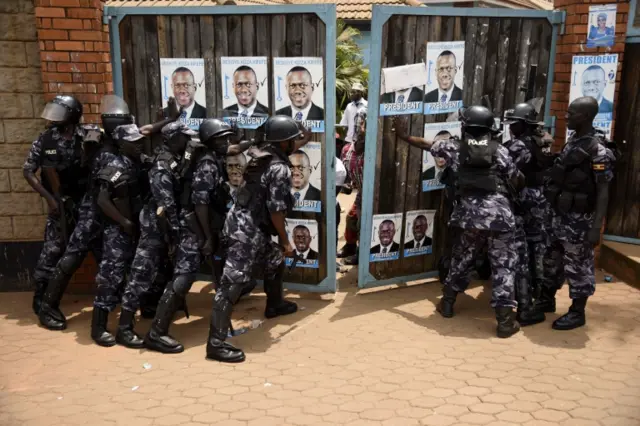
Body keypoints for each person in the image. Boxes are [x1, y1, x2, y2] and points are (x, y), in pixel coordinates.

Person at [38, 95, 180, 331]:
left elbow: (142, 131)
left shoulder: (112, 140)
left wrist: (167, 120)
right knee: (75, 254)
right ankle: (47, 306)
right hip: (94, 209)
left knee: (124, 259)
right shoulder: (103, 149)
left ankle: (138, 303)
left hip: (118, 210)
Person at [143, 118, 255, 354]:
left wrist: (253, 142)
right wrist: (207, 238)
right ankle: (156, 333)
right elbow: (200, 204)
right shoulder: (207, 164)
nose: (228, 142)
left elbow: (233, 148)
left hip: (200, 224)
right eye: (223, 138)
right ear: (213, 142)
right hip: (193, 225)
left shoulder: (212, 154)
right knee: (183, 278)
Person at [205, 116, 311, 363]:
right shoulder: (279, 168)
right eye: (292, 140)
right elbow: (276, 210)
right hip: (245, 230)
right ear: (283, 143)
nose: (296, 143)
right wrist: (286, 242)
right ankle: (215, 344)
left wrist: (300, 132)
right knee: (231, 285)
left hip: (245, 223)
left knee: (274, 260)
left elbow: (293, 142)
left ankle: (275, 305)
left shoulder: (261, 155)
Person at [436, 106, 522, 338]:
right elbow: (514, 176)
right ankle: (505, 323)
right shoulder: (500, 151)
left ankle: (447, 303)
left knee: (463, 258)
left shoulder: (453, 147)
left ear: (466, 126)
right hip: (500, 216)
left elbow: (433, 146)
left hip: (469, 216)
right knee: (503, 266)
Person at [535, 97, 615, 330]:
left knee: (579, 267)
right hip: (559, 216)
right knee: (551, 260)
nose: (566, 117)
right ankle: (545, 300)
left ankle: (577, 312)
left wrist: (595, 228)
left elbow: (603, 192)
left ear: (586, 117)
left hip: (580, 221)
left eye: (572, 114)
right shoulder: (574, 141)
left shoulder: (599, 151)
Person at [116, 122, 190, 348]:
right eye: (183, 137)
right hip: (156, 226)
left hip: (166, 226)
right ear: (172, 138)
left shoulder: (175, 158)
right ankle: (124, 328)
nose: (187, 141)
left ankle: (157, 311)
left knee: (160, 274)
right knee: (141, 274)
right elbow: (165, 206)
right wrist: (174, 234)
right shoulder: (162, 165)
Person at [23, 95, 88, 315]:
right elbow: (28, 171)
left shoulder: (87, 135)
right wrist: (49, 199)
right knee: (53, 250)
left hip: (84, 203)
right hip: (58, 203)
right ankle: (41, 297)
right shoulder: (46, 139)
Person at [91, 123, 150, 346]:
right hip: (118, 231)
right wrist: (123, 221)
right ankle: (98, 328)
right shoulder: (115, 166)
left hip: (134, 227)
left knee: (131, 276)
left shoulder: (136, 163)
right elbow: (102, 200)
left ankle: (126, 327)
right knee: (110, 277)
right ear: (122, 144)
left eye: (139, 141)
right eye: (133, 142)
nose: (138, 144)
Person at [502, 103, 553, 327]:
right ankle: (541, 296)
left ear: (523, 125)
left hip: (524, 200)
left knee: (522, 252)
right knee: (537, 248)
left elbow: (506, 170)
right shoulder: (540, 141)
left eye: (515, 123)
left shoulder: (518, 146)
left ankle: (524, 301)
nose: (511, 127)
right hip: (541, 200)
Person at [338, 110, 366, 265]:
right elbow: (346, 171)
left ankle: (361, 255)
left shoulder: (374, 150)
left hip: (372, 192)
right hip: (360, 190)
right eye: (360, 126)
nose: (362, 130)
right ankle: (350, 247)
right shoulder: (347, 150)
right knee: (351, 218)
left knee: (362, 223)